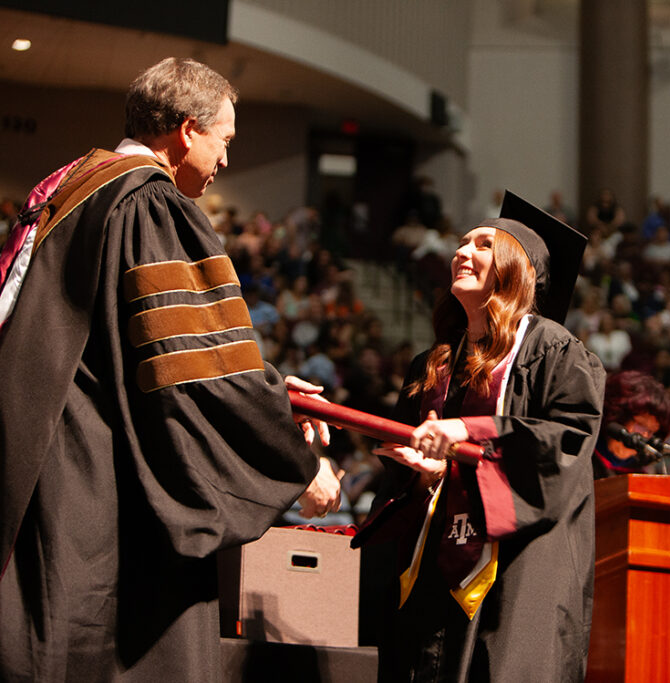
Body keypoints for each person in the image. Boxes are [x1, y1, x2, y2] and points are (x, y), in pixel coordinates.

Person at [0, 58, 343, 681]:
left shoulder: (74, 186)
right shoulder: (152, 204)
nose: (226, 162)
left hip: (38, 456)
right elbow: (195, 377)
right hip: (96, 479)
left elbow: (153, 345)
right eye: (225, 141)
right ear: (187, 129)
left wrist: (266, 388)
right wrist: (295, 463)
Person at [355, 192, 605, 681]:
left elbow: (567, 440)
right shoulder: (433, 366)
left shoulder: (554, 351)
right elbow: (408, 467)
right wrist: (424, 476)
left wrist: (468, 432)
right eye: (461, 243)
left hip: (512, 571)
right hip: (432, 571)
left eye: (483, 244)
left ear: (517, 269)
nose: (461, 252)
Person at [592, 370, 670, 477]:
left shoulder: (640, 475)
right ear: (617, 415)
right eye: (641, 424)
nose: (644, 436)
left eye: (651, 431)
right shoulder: (578, 454)